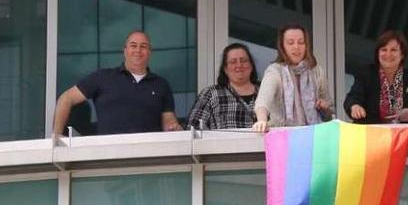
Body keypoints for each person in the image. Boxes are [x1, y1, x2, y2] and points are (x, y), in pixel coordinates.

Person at [53, 30, 181, 135]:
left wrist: (173, 127)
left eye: (143, 46)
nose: (138, 50)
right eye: (133, 45)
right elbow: (66, 98)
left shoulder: (161, 84)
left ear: (149, 52)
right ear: (125, 51)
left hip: (149, 157)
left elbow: (168, 120)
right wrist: (57, 135)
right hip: (109, 157)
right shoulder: (103, 77)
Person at [252, 24, 331, 132]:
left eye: (301, 42)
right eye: (290, 43)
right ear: (282, 46)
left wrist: (325, 107)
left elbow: (329, 115)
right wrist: (262, 120)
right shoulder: (275, 71)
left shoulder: (317, 71)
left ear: (306, 45)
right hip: (283, 136)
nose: (296, 47)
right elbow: (263, 100)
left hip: (314, 137)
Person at [344, 30, 408, 124]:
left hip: (403, 136)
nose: (388, 54)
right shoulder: (366, 73)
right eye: (383, 50)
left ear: (402, 54)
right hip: (371, 134)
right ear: (378, 54)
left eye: (393, 50)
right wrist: (355, 106)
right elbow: (352, 98)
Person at [187, 43, 260, 130]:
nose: (239, 65)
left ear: (251, 65)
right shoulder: (210, 94)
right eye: (233, 62)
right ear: (225, 69)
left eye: (243, 60)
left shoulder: (265, 92)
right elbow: (193, 129)